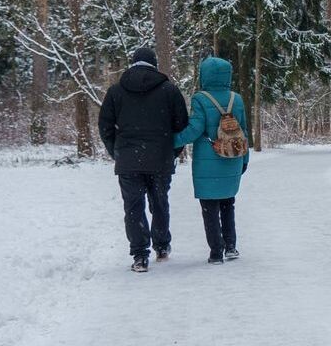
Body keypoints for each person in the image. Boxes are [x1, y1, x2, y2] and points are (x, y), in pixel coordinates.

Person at [98, 47, 188, 273]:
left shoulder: (116, 91)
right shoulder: (169, 90)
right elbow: (182, 126)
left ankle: (139, 255)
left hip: (128, 160)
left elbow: (105, 127)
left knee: (133, 207)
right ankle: (162, 246)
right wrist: (171, 151)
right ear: (154, 64)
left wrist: (117, 151)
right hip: (159, 159)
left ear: (133, 64)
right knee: (159, 203)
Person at [174, 56, 249, 264]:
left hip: (209, 159)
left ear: (204, 75)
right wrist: (245, 158)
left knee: (209, 207)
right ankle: (231, 246)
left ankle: (216, 251)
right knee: (228, 203)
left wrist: (172, 141)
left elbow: (195, 130)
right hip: (233, 157)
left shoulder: (201, 98)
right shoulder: (237, 99)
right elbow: (244, 130)